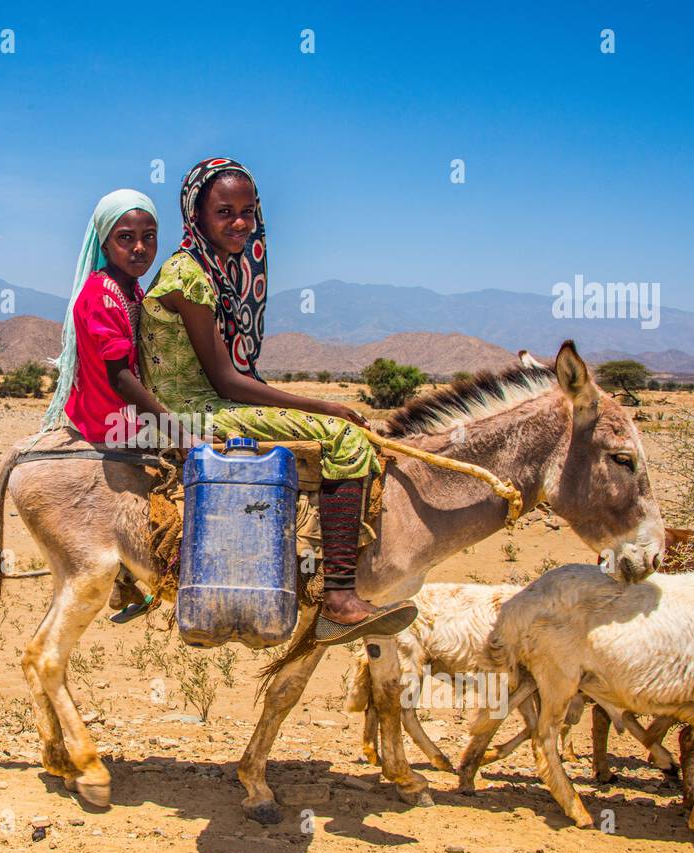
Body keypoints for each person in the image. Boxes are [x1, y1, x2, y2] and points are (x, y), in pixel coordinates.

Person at [139, 158, 418, 646]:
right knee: (345, 440)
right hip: (193, 408)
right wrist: (323, 407)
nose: (240, 223)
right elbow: (227, 381)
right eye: (225, 211)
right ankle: (339, 595)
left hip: (207, 397)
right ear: (197, 217)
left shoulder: (215, 269)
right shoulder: (190, 277)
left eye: (248, 211)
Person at [41, 188, 192, 449]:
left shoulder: (130, 290)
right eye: (125, 238)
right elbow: (120, 377)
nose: (139, 248)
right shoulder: (102, 296)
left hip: (125, 413)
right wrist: (181, 436)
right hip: (111, 419)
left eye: (149, 237)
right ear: (105, 244)